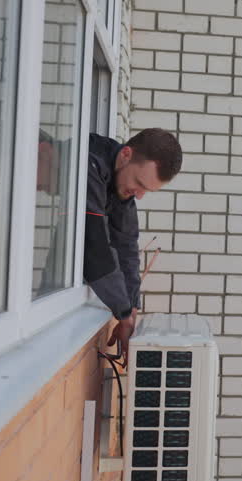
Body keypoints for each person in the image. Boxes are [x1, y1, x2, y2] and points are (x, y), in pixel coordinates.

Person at [84, 128, 182, 352]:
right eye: (139, 183)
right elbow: (93, 245)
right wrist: (123, 312)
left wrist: (132, 308)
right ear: (126, 154)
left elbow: (127, 246)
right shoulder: (90, 163)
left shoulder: (123, 185)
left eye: (146, 190)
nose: (138, 195)